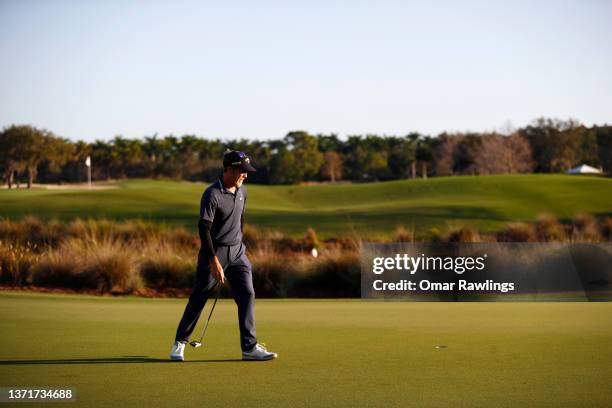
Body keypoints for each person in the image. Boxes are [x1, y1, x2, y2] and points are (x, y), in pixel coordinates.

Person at [170, 150, 277, 361]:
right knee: (199, 297)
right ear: (229, 169)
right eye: (242, 171)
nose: (245, 175)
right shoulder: (212, 194)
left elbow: (239, 222)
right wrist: (214, 261)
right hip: (215, 252)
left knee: (247, 294)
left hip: (238, 252)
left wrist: (239, 247)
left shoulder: (243, 192)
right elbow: (204, 229)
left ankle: (249, 347)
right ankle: (179, 342)